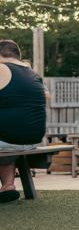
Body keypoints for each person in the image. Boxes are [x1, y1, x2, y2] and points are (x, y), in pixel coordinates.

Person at [0, 40, 47, 203]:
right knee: (7, 141)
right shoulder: (33, 74)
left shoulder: (2, 68)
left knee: (6, 139)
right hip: (31, 139)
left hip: (8, 139)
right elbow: (47, 97)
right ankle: (8, 186)